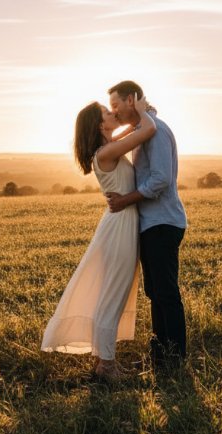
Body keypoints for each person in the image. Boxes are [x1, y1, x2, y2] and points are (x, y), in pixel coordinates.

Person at [41, 95, 156, 380]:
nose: (112, 112)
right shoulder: (105, 155)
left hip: (121, 223)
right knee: (113, 295)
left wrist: (139, 118)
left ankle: (104, 360)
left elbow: (131, 132)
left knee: (114, 293)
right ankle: (106, 365)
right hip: (119, 227)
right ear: (98, 125)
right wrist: (143, 112)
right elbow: (148, 131)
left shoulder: (108, 149)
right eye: (107, 112)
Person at [105, 81, 188, 371]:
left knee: (165, 292)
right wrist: (143, 115)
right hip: (151, 223)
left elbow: (161, 180)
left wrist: (126, 199)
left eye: (116, 105)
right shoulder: (144, 131)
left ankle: (174, 361)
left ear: (131, 100)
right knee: (155, 291)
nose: (114, 112)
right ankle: (160, 356)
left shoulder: (157, 132)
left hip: (163, 221)